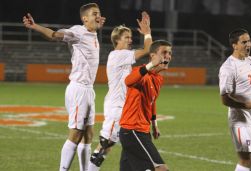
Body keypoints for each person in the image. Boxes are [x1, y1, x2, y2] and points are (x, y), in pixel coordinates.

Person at [23, 3, 106, 171]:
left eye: (99, 13)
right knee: (76, 134)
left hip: (89, 90)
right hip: (79, 90)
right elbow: (54, 35)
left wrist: (97, 23)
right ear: (85, 18)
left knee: (88, 135)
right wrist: (35, 26)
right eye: (95, 13)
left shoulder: (93, 33)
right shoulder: (78, 32)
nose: (99, 16)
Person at [88, 11, 152, 170]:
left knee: (117, 145)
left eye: (131, 37)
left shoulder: (121, 56)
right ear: (117, 40)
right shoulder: (119, 55)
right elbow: (147, 49)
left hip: (124, 106)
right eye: (126, 37)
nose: (130, 40)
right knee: (105, 145)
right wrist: (147, 32)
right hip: (116, 106)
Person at [218, 28, 251, 171]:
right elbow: (224, 99)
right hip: (240, 121)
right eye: (244, 42)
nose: (248, 44)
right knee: (245, 161)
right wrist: (248, 105)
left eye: (249, 41)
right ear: (234, 45)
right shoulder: (228, 68)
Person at [119, 40, 172, 171]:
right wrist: (149, 66)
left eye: (170, 53)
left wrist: (154, 124)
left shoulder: (158, 78)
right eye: (164, 52)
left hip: (142, 131)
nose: (168, 56)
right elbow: (128, 81)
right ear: (153, 56)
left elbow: (151, 101)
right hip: (132, 131)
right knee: (161, 168)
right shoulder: (141, 73)